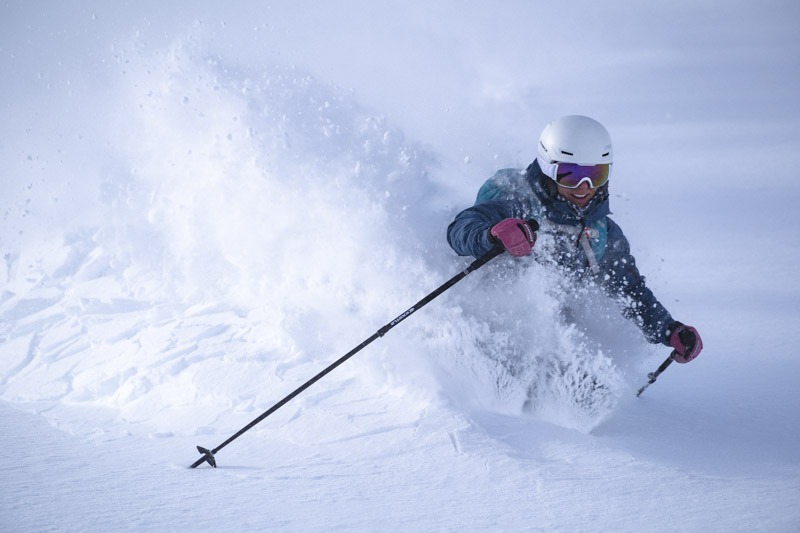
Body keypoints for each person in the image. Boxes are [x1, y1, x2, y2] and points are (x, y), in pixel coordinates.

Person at [447, 115, 702, 364]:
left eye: (596, 174)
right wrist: (491, 234)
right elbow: (461, 229)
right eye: (570, 174)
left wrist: (669, 330)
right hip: (490, 326)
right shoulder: (519, 203)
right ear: (548, 168)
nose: (584, 186)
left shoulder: (603, 232)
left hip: (552, 338)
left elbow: (629, 289)